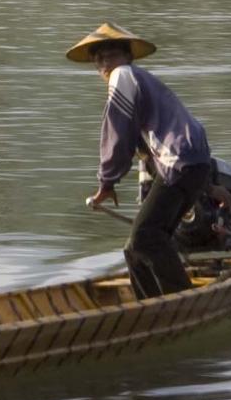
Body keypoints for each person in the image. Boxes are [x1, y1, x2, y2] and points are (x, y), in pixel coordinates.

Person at [67, 22, 217, 300]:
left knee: (145, 238)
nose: (103, 63)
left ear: (127, 57)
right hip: (189, 165)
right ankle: (150, 304)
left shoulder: (122, 76)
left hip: (180, 164)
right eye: (98, 58)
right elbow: (145, 151)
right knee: (134, 247)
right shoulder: (140, 81)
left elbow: (116, 131)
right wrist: (207, 186)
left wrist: (107, 181)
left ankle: (181, 301)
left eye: (110, 55)